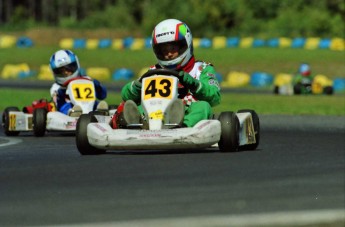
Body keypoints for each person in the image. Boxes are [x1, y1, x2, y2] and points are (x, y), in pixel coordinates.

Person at [114, 19, 221, 128]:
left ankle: (181, 126)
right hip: (154, 112)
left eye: (173, 48)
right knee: (134, 106)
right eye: (164, 50)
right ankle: (137, 124)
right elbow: (125, 95)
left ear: (185, 44)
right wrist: (137, 86)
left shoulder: (201, 69)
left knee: (203, 107)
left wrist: (194, 84)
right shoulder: (154, 71)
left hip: (187, 109)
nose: (169, 54)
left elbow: (215, 97)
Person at [49, 49, 108, 117]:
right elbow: (57, 103)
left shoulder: (87, 80)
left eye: (69, 68)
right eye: (61, 71)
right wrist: (62, 91)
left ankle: (100, 112)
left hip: (90, 107)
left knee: (96, 103)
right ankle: (73, 113)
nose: (66, 72)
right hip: (68, 110)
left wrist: (97, 86)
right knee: (66, 106)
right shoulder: (56, 87)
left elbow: (102, 96)